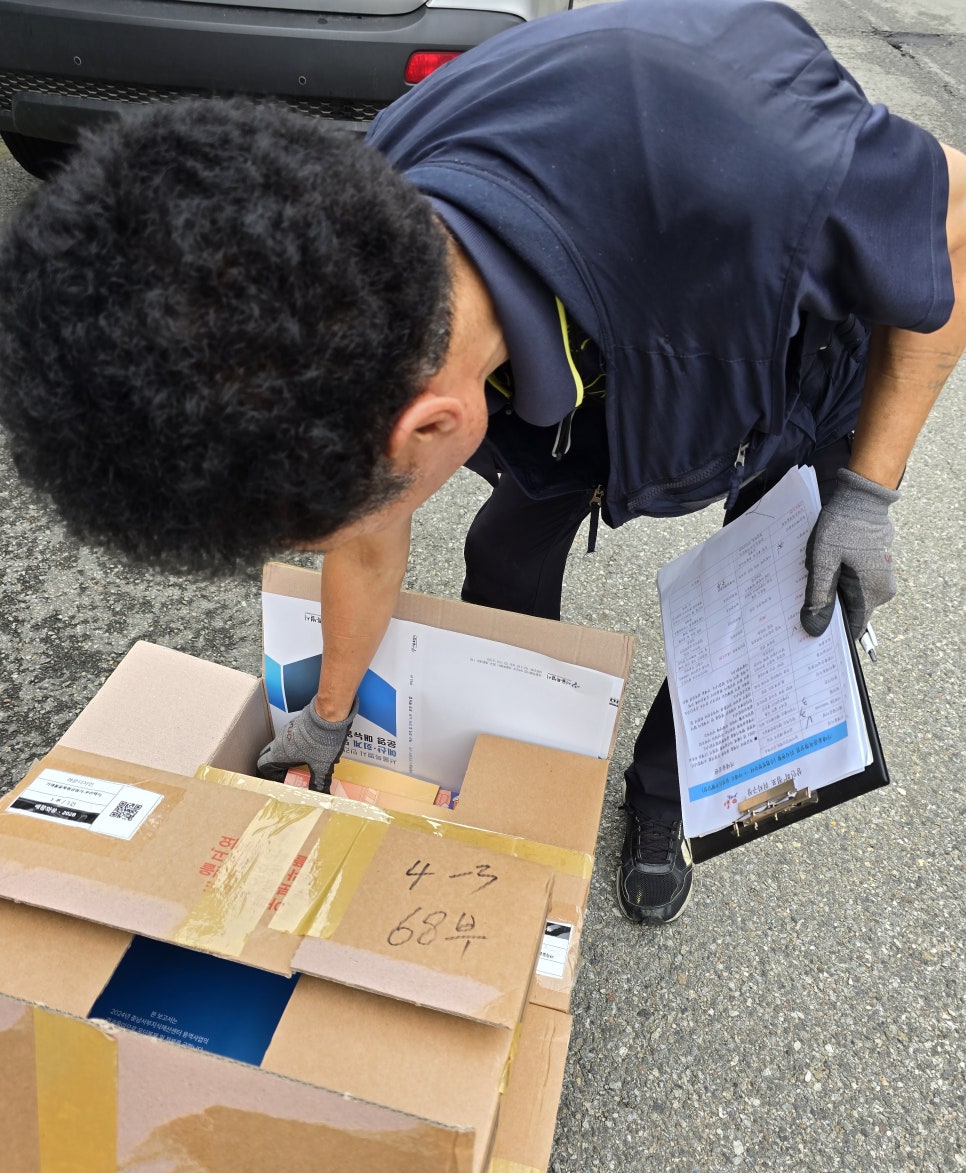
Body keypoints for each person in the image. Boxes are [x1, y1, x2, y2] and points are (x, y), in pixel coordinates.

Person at [0, 0, 963, 928]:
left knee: (781, 598)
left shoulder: (771, 174)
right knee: (504, 557)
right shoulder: (362, 236)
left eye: (336, 522)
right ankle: (528, 764)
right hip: (583, 379)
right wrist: (328, 716)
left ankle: (664, 793)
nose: (356, 534)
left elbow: (957, 224)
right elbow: (369, 529)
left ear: (433, 424)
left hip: (787, 368)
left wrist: (870, 488)